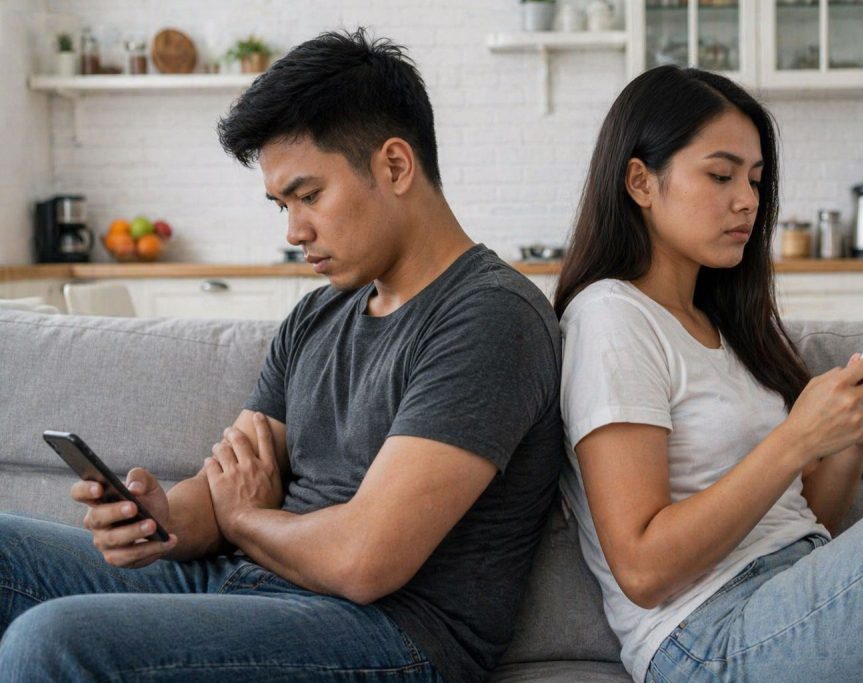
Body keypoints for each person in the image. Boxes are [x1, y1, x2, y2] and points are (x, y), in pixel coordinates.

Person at [0, 30, 563, 683]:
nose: (294, 231)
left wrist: (246, 519)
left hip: (390, 633)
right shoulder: (318, 314)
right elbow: (228, 479)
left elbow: (363, 560)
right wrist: (163, 519)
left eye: (309, 195)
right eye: (282, 205)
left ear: (395, 166)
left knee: (54, 642)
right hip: (251, 588)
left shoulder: (490, 317)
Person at [554, 65, 863, 683]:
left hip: (799, 597)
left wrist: (852, 441)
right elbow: (642, 569)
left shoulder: (731, 329)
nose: (748, 200)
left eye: (755, 179)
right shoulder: (612, 316)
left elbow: (805, 523)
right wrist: (797, 438)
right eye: (720, 175)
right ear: (641, 181)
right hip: (710, 642)